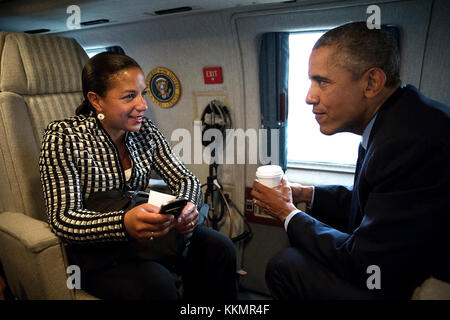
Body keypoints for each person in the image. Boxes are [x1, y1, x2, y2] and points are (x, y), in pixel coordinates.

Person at [252, 21, 450, 300]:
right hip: (403, 260)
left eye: (322, 81)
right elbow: (376, 203)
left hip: (419, 280)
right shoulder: (398, 118)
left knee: (285, 265)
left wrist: (287, 213)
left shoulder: (409, 142)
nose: (309, 97)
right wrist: (306, 194)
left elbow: (367, 263)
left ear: (371, 82)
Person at [39, 52, 237, 300]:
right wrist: (123, 223)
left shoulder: (145, 132)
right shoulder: (63, 137)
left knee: (220, 249)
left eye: (142, 93)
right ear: (96, 100)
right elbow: (63, 219)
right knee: (157, 285)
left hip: (145, 242)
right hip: (97, 255)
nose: (143, 105)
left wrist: (185, 207)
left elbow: (185, 178)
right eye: (129, 96)